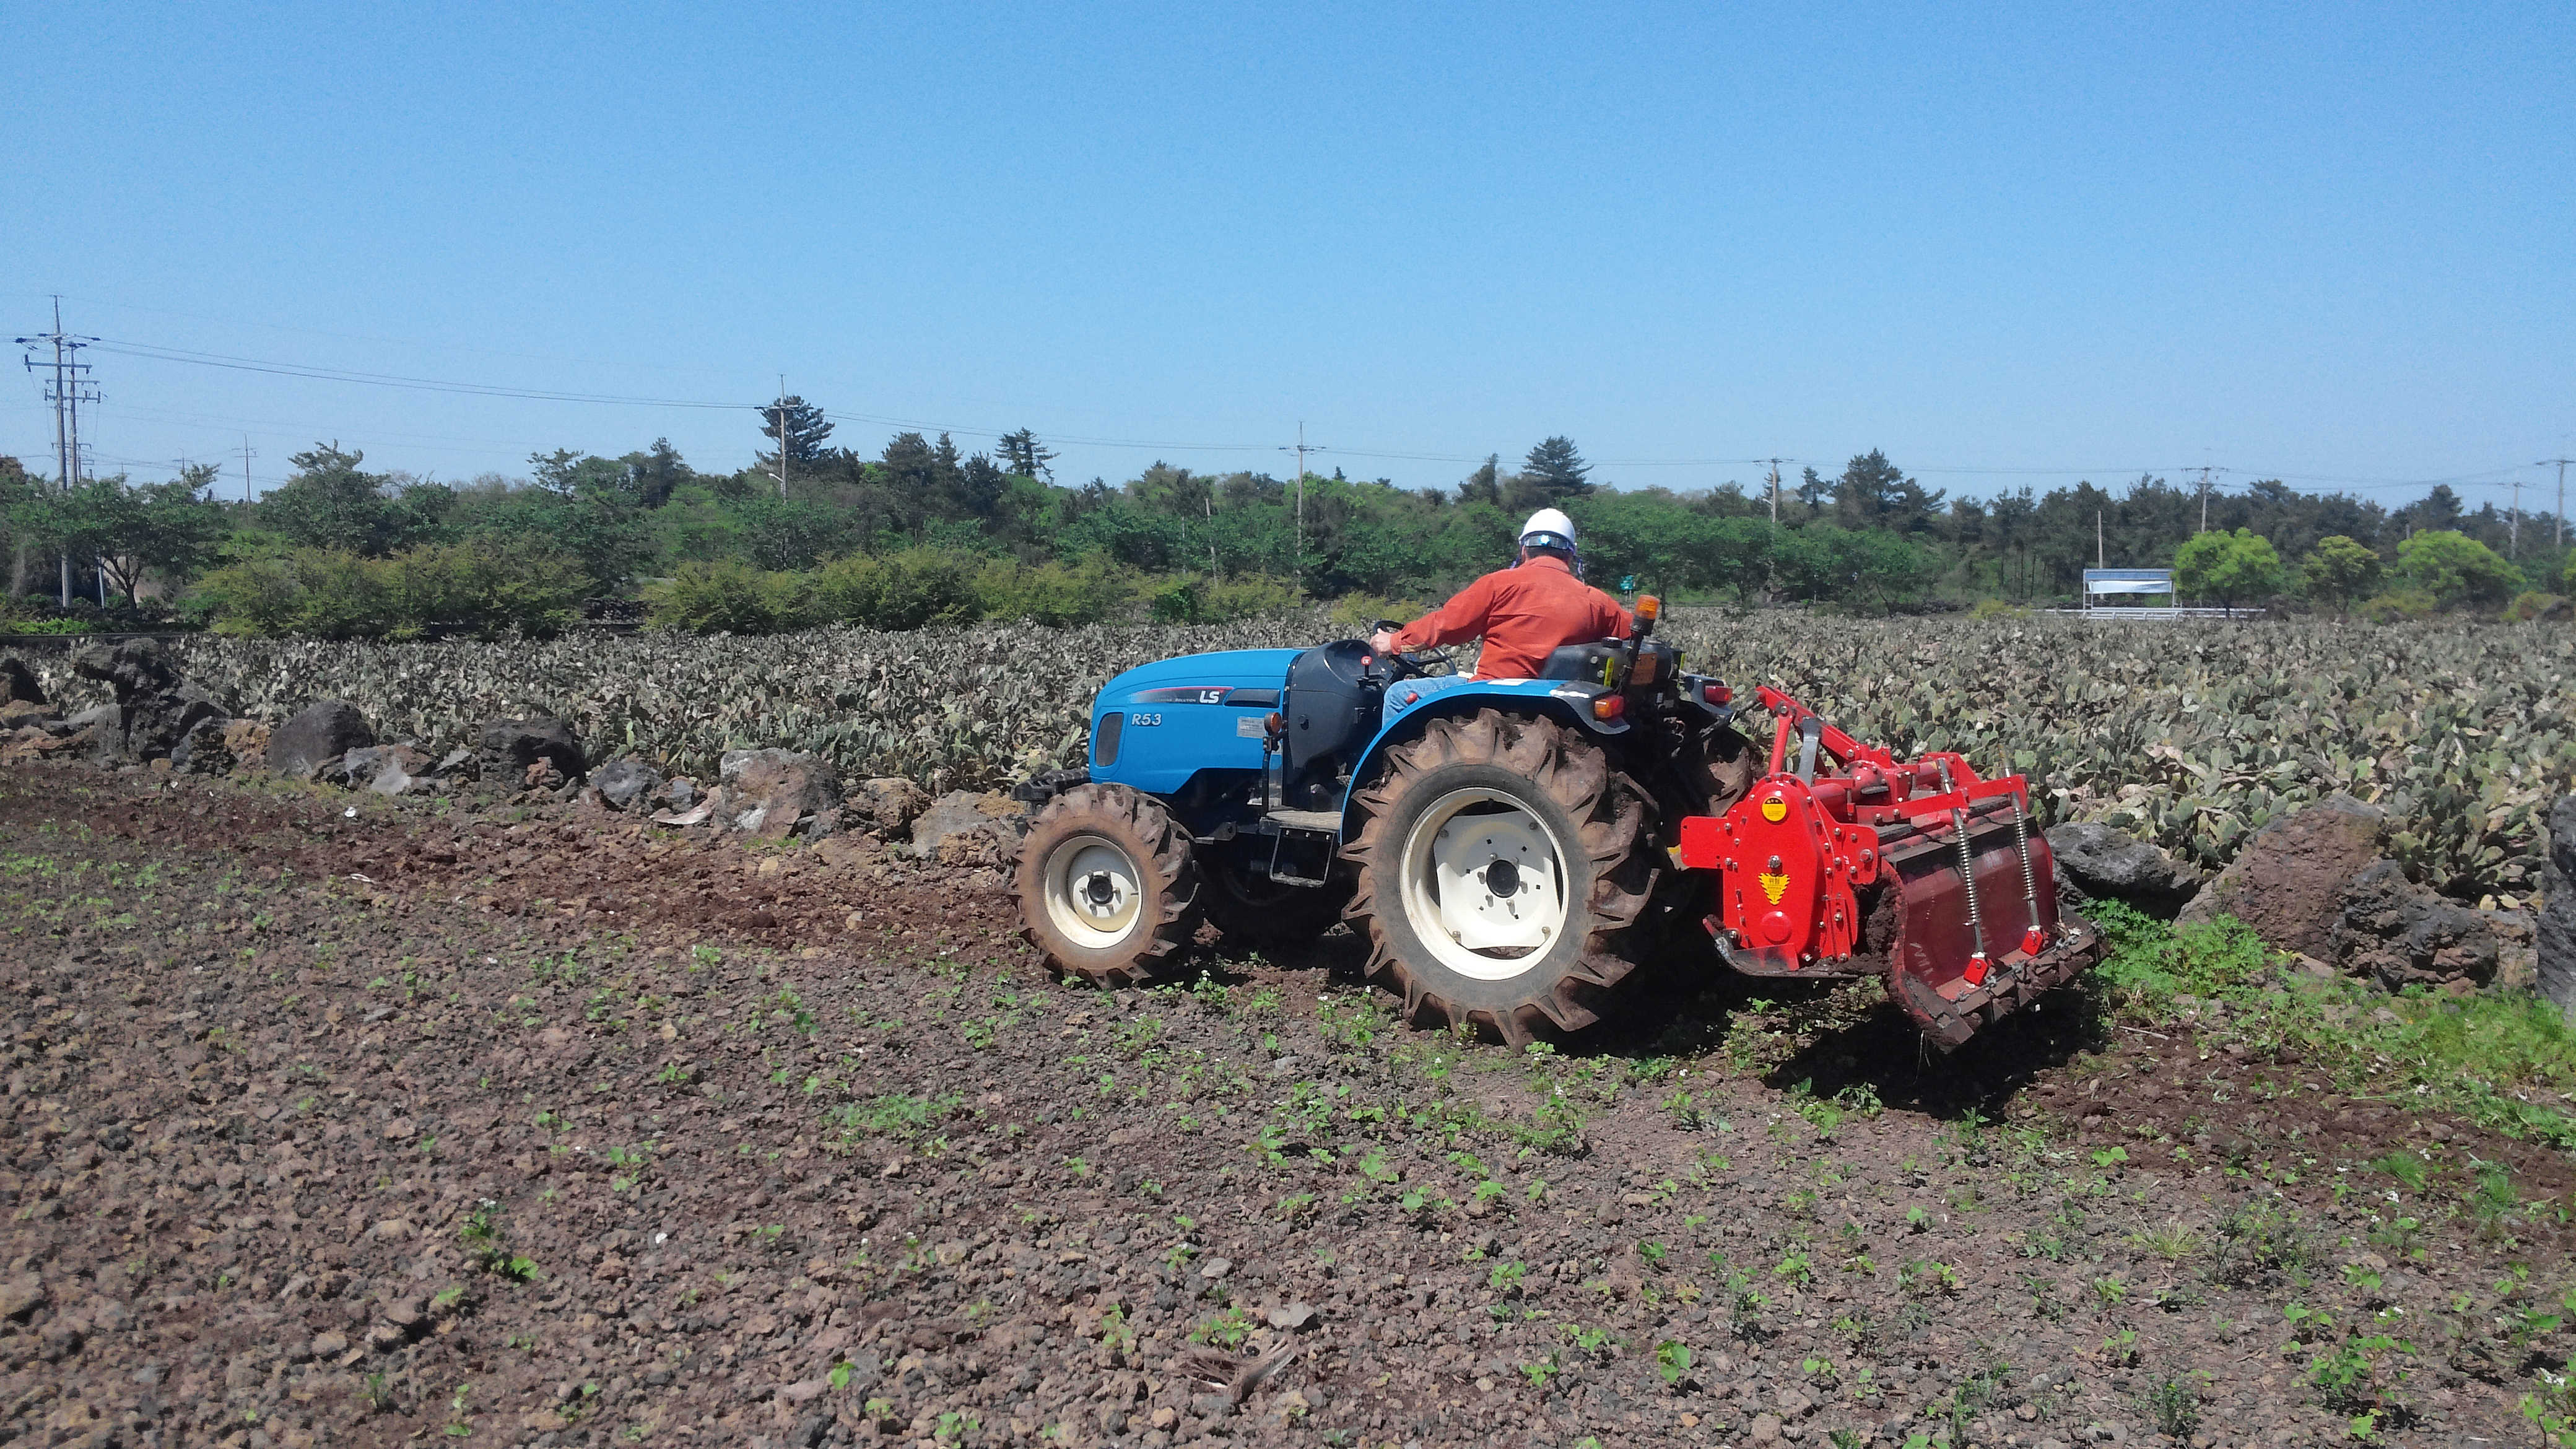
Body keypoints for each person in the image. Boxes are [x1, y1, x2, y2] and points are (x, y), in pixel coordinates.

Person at [1368, 508, 1632, 681]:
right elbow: (1634, 637)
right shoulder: (1599, 602)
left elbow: (1447, 625)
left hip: (1494, 692)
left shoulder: (1498, 584)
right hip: (1559, 701)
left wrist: (1395, 642)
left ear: (1524, 550)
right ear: (1570, 556)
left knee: (1398, 695)